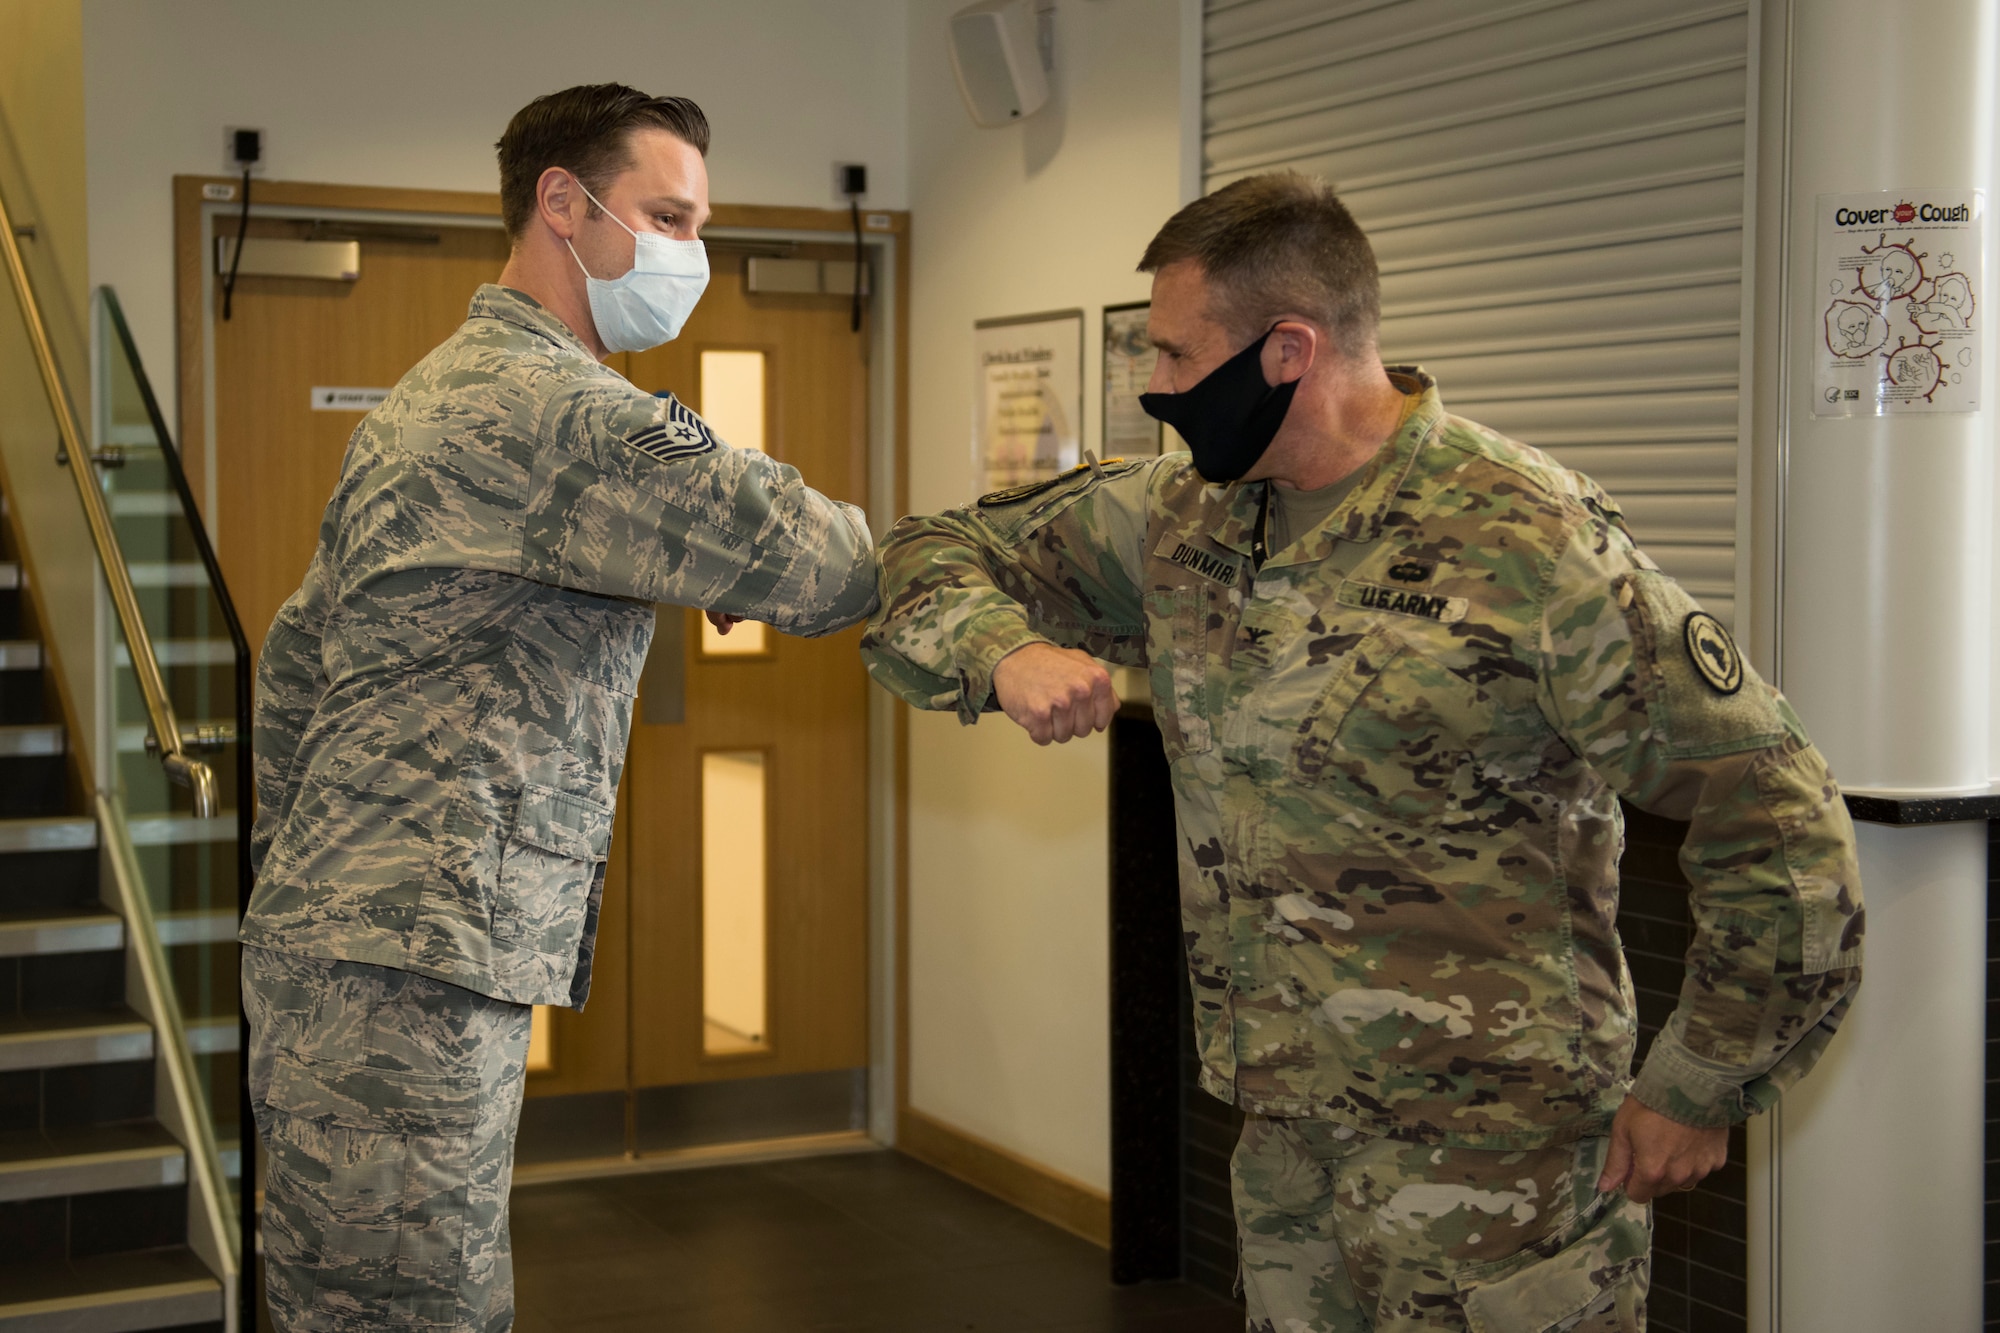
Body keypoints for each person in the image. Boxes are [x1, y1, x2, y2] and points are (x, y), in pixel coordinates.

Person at [860, 172, 1862, 1332]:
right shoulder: (1187, 517)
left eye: (1180, 359)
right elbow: (929, 551)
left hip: (1502, 1156)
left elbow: (1776, 817)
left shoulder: (1525, 541)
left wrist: (1697, 1084)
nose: (1156, 388)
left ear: (1287, 350)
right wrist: (1002, 653)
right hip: (1286, 1136)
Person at [239, 84, 878, 1331]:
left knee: (358, 1298)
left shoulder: (434, 391)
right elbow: (815, 555)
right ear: (562, 203)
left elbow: (296, 655)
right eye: (667, 216)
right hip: (401, 963)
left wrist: (303, 882)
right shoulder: (557, 409)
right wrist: (972, 567)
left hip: (355, 942)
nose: (690, 254)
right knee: (411, 1309)